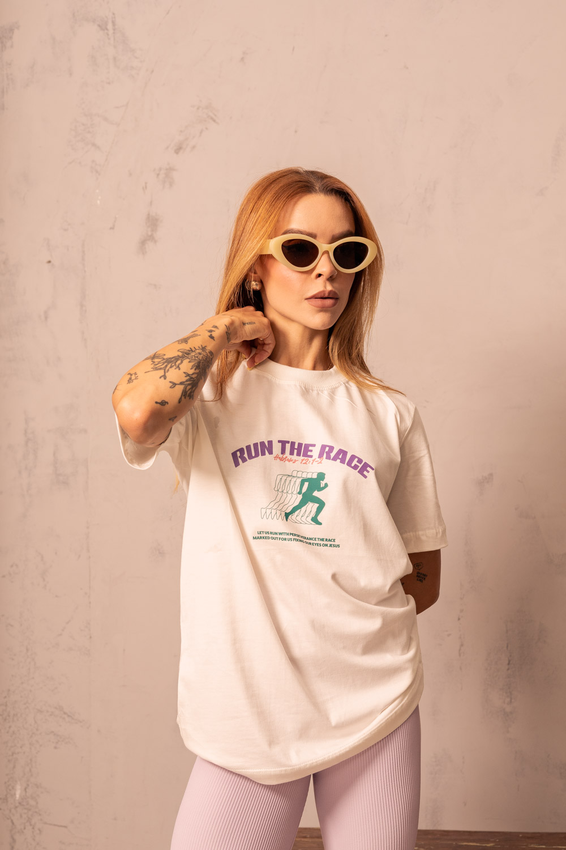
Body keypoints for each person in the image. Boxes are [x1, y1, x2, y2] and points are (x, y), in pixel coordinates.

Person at [112, 167, 448, 850]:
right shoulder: (209, 397)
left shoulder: (389, 413)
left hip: (373, 707)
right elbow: (139, 410)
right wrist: (224, 328)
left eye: (346, 252)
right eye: (300, 250)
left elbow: (423, 576)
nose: (327, 270)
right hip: (246, 714)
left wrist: (331, 618)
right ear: (256, 266)